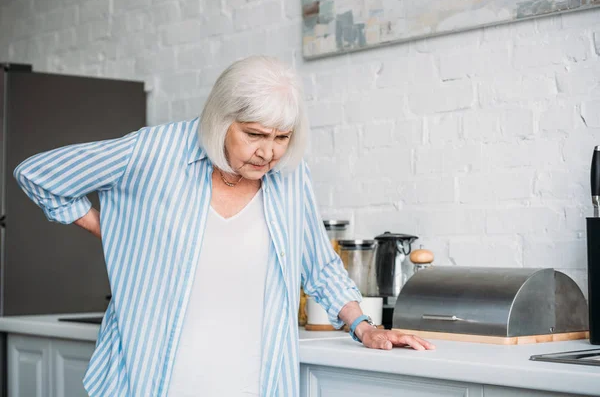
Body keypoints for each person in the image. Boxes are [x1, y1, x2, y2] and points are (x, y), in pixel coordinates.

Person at [14, 56, 434, 397]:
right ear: (220, 119)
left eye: (281, 137)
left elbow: (318, 264)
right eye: (254, 134)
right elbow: (39, 175)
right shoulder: (155, 152)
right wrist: (110, 230)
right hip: (151, 381)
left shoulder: (288, 175)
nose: (268, 152)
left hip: (255, 382)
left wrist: (366, 327)